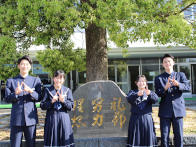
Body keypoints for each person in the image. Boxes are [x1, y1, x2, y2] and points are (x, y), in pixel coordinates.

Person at [5, 55, 42, 147]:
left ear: (30, 66)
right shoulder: (11, 81)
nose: (25, 66)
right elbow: (7, 99)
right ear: (18, 66)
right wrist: (15, 93)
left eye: (27, 64)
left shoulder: (36, 80)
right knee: (15, 145)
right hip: (16, 119)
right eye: (22, 64)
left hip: (30, 119)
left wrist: (31, 91)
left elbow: (39, 97)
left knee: (31, 144)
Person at [154, 54, 191, 147]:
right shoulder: (159, 78)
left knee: (178, 135)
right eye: (165, 62)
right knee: (164, 135)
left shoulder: (180, 75)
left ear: (173, 63)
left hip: (178, 110)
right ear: (162, 64)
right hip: (165, 110)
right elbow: (157, 94)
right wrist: (165, 88)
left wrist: (178, 84)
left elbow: (188, 87)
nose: (167, 63)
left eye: (169, 61)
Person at [40, 70, 74, 147]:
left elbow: (71, 107)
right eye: (56, 78)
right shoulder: (47, 90)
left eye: (61, 78)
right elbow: (42, 106)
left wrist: (64, 101)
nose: (58, 80)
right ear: (53, 79)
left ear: (64, 80)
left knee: (65, 141)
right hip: (51, 118)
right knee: (53, 140)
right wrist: (51, 101)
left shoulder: (67, 90)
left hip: (64, 119)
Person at [126, 75, 158, 147]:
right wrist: (137, 94)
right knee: (135, 137)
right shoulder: (132, 92)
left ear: (146, 82)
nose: (141, 83)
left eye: (143, 81)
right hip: (135, 118)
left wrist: (149, 94)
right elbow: (129, 99)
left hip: (147, 118)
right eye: (139, 81)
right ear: (136, 83)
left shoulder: (150, 92)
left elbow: (156, 100)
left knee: (147, 137)